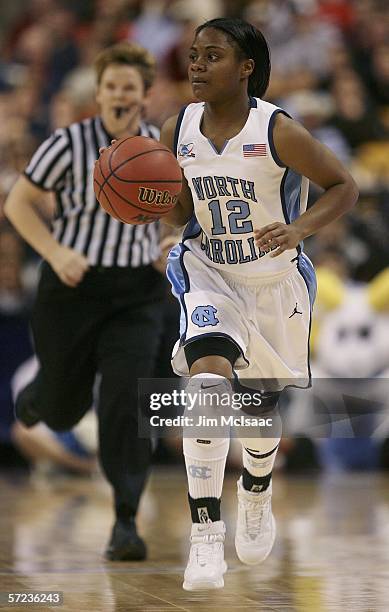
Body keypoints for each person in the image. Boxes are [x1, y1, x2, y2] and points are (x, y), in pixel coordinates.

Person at [160, 17, 358, 590]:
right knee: (207, 383)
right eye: (194, 55)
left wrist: (299, 230)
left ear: (246, 68)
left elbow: (344, 185)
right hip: (209, 271)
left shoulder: (277, 130)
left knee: (257, 413)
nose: (197, 65)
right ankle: (204, 537)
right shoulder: (180, 127)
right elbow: (180, 213)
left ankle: (256, 489)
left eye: (212, 56)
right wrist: (150, 199)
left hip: (274, 282)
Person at [4, 42, 167, 561]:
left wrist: (171, 239)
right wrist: (53, 251)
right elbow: (18, 202)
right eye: (111, 86)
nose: (120, 94)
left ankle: (125, 520)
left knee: (127, 401)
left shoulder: (162, 147)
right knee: (63, 407)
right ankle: (42, 398)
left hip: (136, 292)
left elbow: (181, 208)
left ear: (145, 94)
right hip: (71, 288)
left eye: (130, 86)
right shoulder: (68, 143)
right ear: (98, 93)